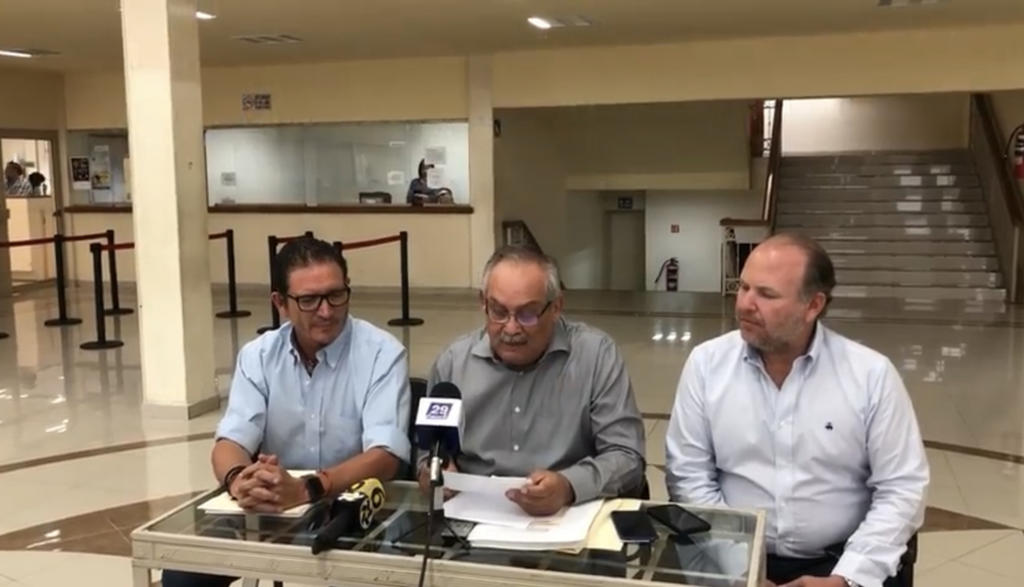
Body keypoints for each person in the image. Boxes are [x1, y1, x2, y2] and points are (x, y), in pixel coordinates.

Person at [665, 234, 929, 587]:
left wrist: (847, 577)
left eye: (766, 294)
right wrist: (742, 569)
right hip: (728, 555)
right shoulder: (706, 364)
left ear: (813, 305)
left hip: (840, 561)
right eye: (743, 287)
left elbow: (902, 488)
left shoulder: (870, 375)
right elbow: (688, 475)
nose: (745, 304)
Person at [162, 237, 411, 587]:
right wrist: (239, 480)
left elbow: (385, 457)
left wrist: (309, 488)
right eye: (309, 300)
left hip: (355, 508)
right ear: (280, 303)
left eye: (336, 295)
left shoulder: (382, 354)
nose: (326, 311)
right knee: (182, 576)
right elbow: (230, 441)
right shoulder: (259, 356)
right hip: (276, 509)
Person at [419, 245, 646, 516]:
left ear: (556, 307)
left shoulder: (596, 356)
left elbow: (626, 457)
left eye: (527, 314)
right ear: (483, 302)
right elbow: (427, 452)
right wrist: (434, 470)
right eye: (498, 311)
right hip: (473, 516)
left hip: (568, 516)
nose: (511, 328)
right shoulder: (453, 363)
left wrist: (569, 486)